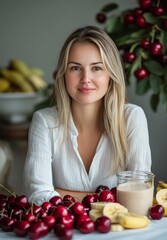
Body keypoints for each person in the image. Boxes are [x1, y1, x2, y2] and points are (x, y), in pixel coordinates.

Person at [23, 26, 152, 205]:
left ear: (110, 74)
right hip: (63, 231)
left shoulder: (132, 118)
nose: (85, 78)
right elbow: (38, 195)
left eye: (97, 68)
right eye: (75, 68)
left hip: (118, 232)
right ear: (63, 74)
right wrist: (108, 199)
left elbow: (138, 194)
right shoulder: (44, 121)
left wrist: (61, 193)